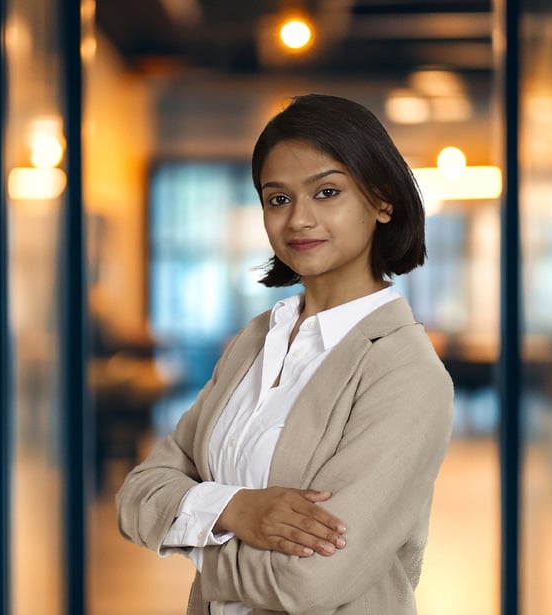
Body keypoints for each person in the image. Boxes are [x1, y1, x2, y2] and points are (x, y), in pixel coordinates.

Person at [116, 93, 454, 614]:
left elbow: (309, 583)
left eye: (327, 192)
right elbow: (138, 496)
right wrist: (237, 509)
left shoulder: (404, 372)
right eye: (278, 199)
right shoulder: (257, 341)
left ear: (383, 201)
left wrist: (191, 531)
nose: (299, 219)